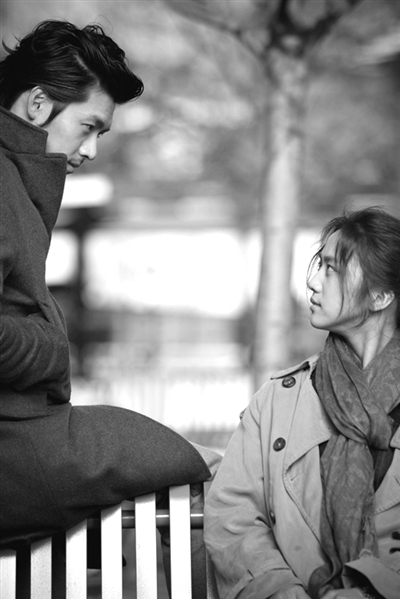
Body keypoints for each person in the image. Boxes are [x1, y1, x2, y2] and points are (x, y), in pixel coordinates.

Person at [0, 19, 220, 597]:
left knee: (196, 460)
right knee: (208, 465)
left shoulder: (19, 180)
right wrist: (50, 344)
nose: (92, 149)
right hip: (17, 448)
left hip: (30, 439)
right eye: (89, 126)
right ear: (38, 103)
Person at [204, 207, 400, 599]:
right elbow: (233, 515)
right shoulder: (278, 400)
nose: (311, 282)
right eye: (318, 265)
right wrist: (280, 590)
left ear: (380, 297)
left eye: (332, 270)